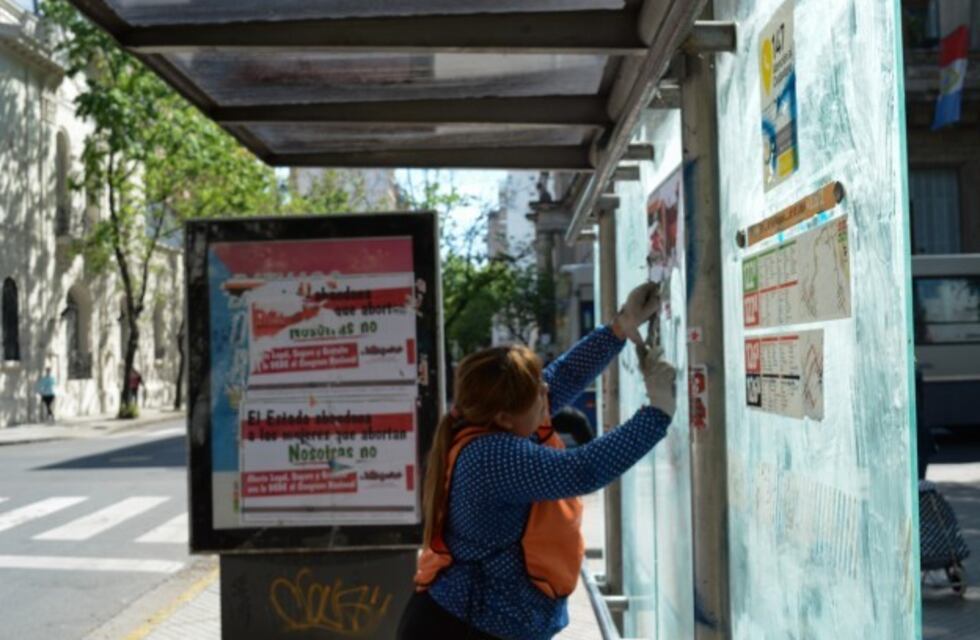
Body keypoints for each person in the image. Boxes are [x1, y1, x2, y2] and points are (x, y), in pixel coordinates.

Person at [397, 282, 675, 640]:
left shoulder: (492, 422)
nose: (547, 393)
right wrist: (657, 414)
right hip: (461, 629)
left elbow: (562, 376)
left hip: (477, 624)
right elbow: (582, 470)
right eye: (538, 394)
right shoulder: (492, 457)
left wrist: (619, 328)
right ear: (504, 416)